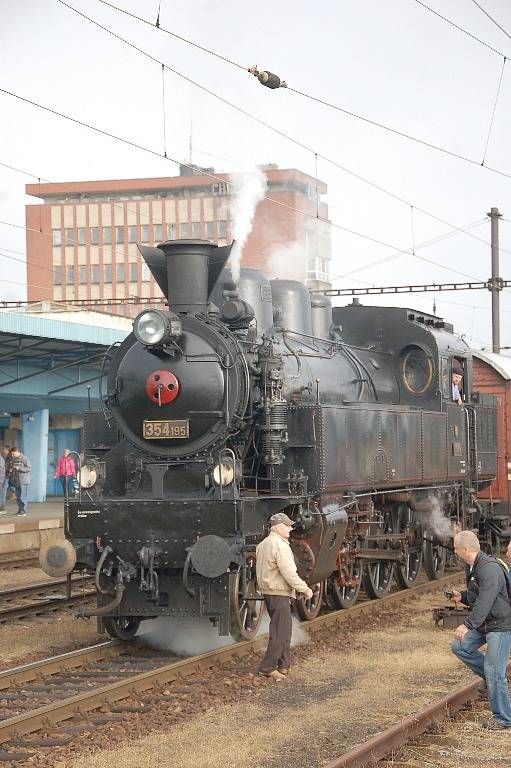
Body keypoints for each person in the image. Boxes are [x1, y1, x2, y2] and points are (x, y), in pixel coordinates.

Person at [450, 530, 511, 729]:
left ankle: (503, 718)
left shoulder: (489, 569)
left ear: (465, 549)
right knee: (459, 646)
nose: (454, 551)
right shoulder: (473, 567)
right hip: (486, 623)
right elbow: (479, 596)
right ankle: (490, 676)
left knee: (495, 670)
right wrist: (463, 597)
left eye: (456, 548)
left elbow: (486, 602)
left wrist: (467, 625)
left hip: (500, 625)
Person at [256, 512, 313, 681]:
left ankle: (284, 664)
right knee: (280, 632)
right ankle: (267, 667)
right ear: (278, 527)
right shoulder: (279, 546)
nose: (290, 528)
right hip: (278, 592)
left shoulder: (263, 544)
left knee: (285, 630)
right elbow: (289, 573)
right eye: (287, 525)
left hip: (269, 591)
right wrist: (305, 589)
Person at [8, 447, 31, 517]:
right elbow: (12, 467)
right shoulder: (14, 459)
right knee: (18, 497)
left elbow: (29, 468)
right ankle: (20, 510)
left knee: (22, 497)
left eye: (13, 454)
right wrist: (11, 470)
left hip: (23, 481)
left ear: (17, 452)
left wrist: (19, 468)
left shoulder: (24, 458)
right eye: (11, 454)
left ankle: (23, 511)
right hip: (16, 481)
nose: (12, 455)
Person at [0, 446, 11, 512]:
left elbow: (4, 468)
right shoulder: (2, 456)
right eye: (3, 449)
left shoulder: (9, 458)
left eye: (5, 449)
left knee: (3, 493)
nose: (3, 450)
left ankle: (2, 507)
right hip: (2, 477)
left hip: (5, 478)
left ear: (8, 450)